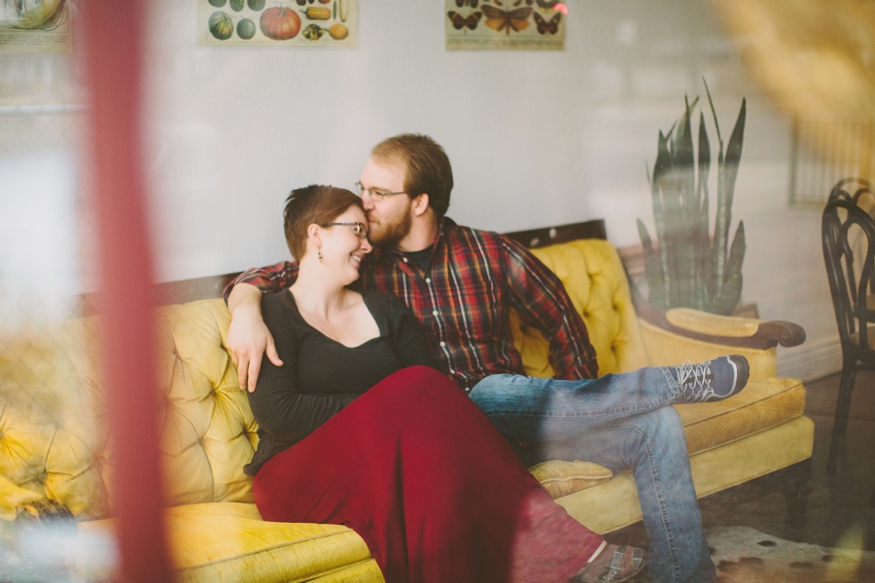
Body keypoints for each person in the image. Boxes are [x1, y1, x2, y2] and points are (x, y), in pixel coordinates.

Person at [225, 134, 750, 583]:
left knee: (656, 426)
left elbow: (562, 322)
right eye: (361, 195)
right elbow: (288, 271)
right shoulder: (364, 266)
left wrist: (579, 408)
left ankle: (685, 573)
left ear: (420, 201)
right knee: (452, 390)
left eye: (378, 194)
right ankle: (671, 383)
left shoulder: (488, 252)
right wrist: (244, 304)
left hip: (511, 409)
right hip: (449, 416)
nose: (367, 206)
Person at [246, 184, 646, 583]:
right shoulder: (271, 313)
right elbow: (279, 414)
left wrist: (395, 416)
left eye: (368, 232)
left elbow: (437, 399)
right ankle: (564, 546)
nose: (367, 245)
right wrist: (389, 411)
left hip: (386, 462)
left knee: (433, 480)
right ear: (316, 234)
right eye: (356, 230)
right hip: (296, 472)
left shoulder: (388, 310)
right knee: (416, 390)